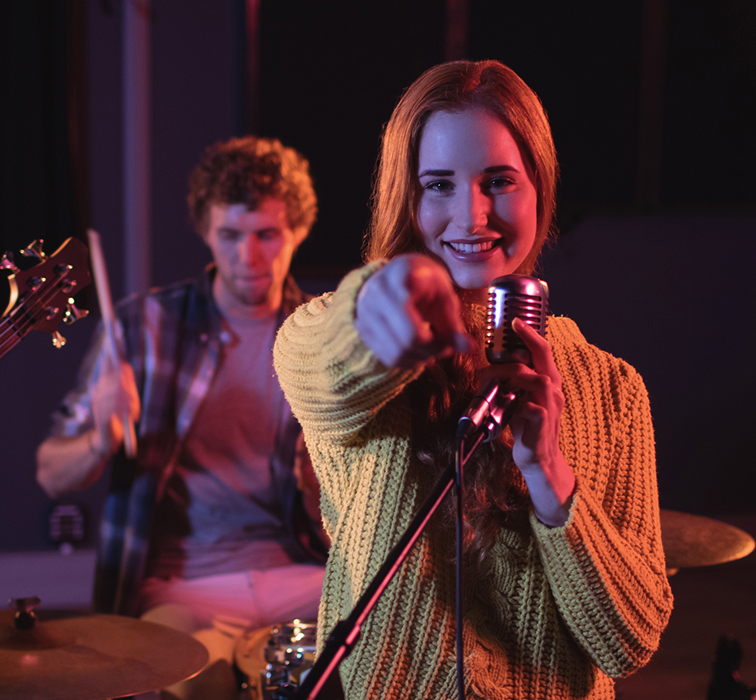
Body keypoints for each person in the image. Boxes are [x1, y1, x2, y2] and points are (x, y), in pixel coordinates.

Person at [272, 60, 672, 700]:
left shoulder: (614, 389)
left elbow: (629, 643)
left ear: (539, 188)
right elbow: (326, 366)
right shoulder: (333, 334)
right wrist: (384, 306)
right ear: (407, 197)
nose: (471, 215)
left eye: (498, 181)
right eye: (438, 184)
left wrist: (549, 472)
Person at [37, 136, 327, 700]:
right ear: (205, 231)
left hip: (299, 572)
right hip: (185, 584)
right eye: (231, 236)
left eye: (267, 235)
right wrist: (102, 437)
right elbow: (50, 474)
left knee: (383, 653)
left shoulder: (323, 335)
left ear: (297, 231)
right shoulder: (142, 327)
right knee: (190, 686)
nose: (249, 257)